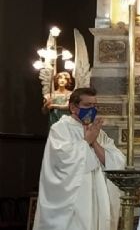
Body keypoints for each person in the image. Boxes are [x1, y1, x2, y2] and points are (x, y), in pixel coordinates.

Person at [33, 87, 125, 230]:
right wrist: (86, 141)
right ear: (73, 107)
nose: (92, 109)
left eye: (95, 106)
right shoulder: (60, 129)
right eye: (87, 105)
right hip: (73, 198)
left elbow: (116, 161)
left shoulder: (98, 132)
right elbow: (63, 160)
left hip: (97, 195)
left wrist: (94, 142)